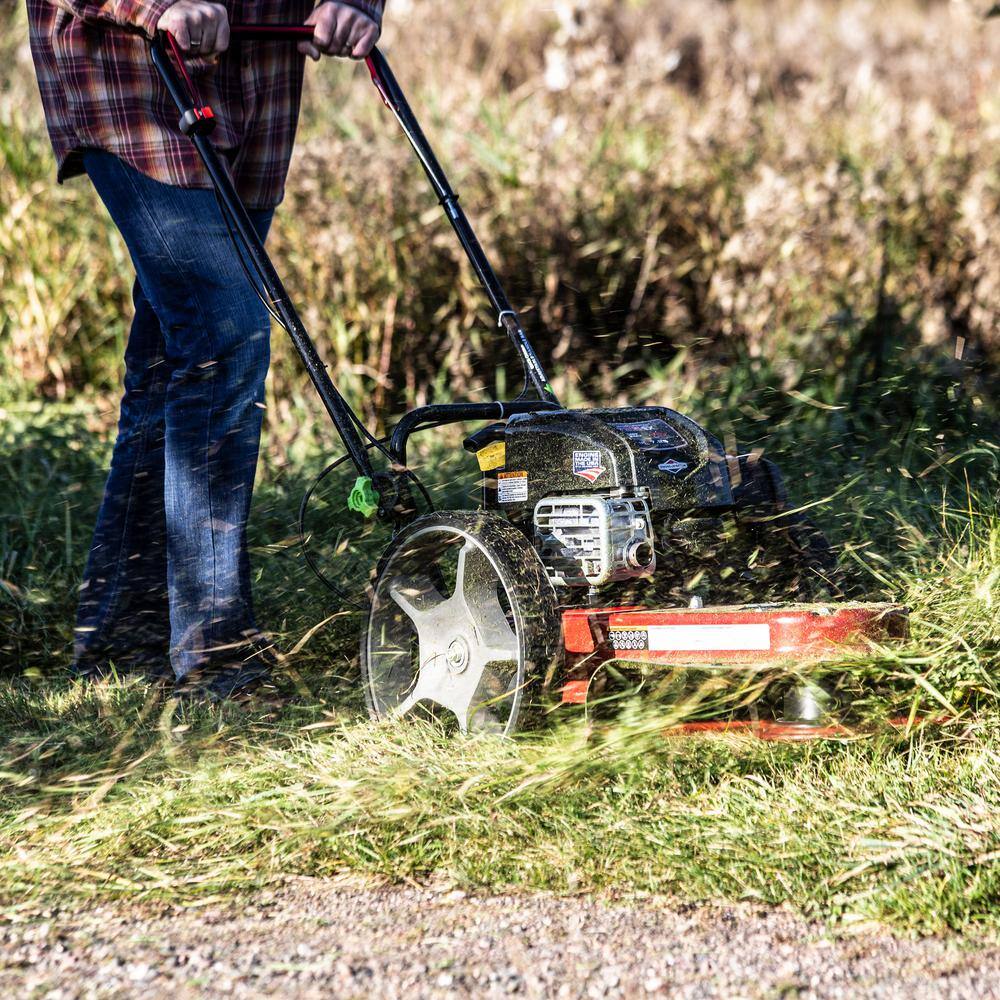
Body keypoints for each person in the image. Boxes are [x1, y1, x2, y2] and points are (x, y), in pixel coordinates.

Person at [26, 0, 385, 700]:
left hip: (260, 90)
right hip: (134, 82)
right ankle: (216, 656)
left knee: (172, 366)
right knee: (225, 338)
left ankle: (122, 638)